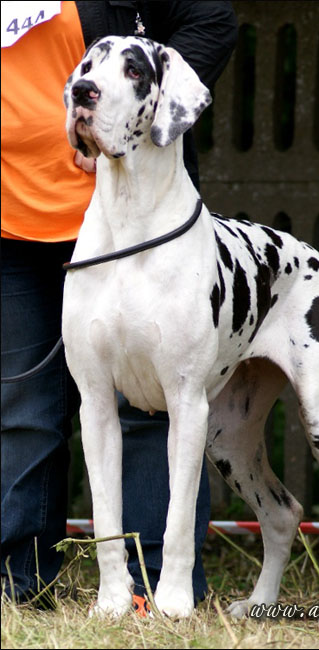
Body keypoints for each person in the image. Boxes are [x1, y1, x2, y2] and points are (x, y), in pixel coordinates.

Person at [1, 0, 237, 612]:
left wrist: (154, 117)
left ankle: (158, 589)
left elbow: (212, 18)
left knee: (152, 407)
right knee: (23, 408)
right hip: (11, 221)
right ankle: (22, 586)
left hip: (137, 220)